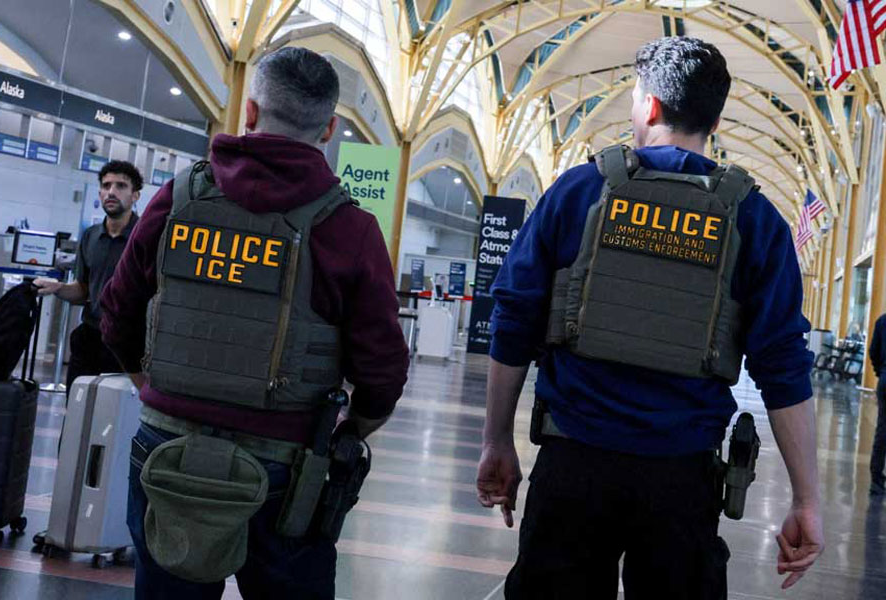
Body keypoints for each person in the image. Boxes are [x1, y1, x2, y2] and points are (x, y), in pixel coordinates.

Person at [476, 37, 824, 599]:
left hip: (573, 465)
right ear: (713, 118)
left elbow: (514, 319)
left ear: (651, 107)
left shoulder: (578, 191)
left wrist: (496, 441)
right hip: (682, 479)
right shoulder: (755, 220)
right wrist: (806, 499)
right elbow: (783, 367)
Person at [100, 46, 408, 599]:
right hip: (286, 470)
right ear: (329, 128)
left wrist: (154, 387)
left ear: (249, 111)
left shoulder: (181, 197)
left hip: (167, 450)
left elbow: (117, 312)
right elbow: (383, 370)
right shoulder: (350, 228)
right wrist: (354, 427)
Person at [34, 161, 142, 396]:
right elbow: (84, 290)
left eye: (121, 186)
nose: (111, 192)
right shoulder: (91, 236)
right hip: (91, 337)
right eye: (106, 185)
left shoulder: (146, 236)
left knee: (115, 418)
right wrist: (58, 287)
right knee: (76, 409)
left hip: (128, 343)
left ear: (135, 195)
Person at [869, 313, 886, 496]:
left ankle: (876, 479)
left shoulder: (882, 320)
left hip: (885, 380)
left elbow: (873, 351)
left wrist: (879, 372)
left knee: (882, 430)